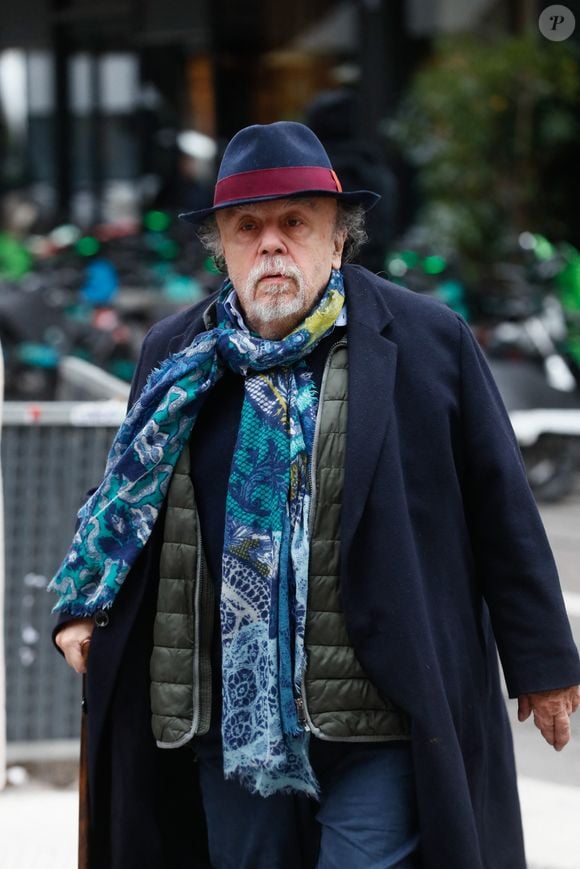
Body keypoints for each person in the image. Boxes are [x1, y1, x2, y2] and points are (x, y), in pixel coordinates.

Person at [51, 122, 580, 869]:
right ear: (223, 249)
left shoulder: (429, 341)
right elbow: (124, 495)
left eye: (294, 223)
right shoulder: (174, 355)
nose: (271, 244)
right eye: (248, 227)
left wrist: (544, 660)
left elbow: (501, 505)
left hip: (380, 709)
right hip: (227, 721)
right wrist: (83, 600)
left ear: (338, 241)